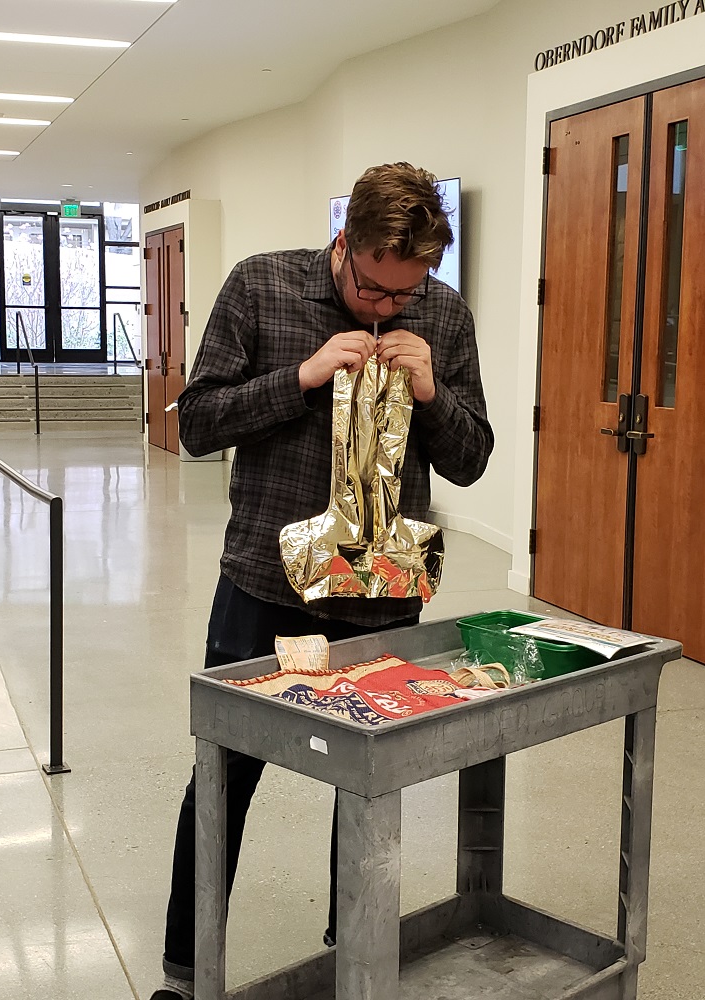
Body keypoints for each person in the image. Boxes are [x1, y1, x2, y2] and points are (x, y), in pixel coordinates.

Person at [150, 162, 494, 1000]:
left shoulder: (443, 315)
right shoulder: (260, 286)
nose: (388, 308)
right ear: (343, 245)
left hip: (384, 596)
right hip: (265, 589)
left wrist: (432, 393)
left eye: (406, 293)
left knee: (372, 784)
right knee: (224, 777)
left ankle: (356, 955)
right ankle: (187, 972)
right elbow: (198, 423)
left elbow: (471, 458)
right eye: (374, 289)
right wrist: (301, 379)